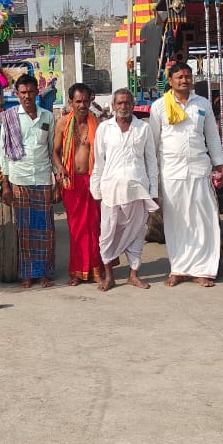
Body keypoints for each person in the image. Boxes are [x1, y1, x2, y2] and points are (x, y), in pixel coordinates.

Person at [149, 61, 223, 287]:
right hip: (172, 171)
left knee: (203, 219)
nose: (184, 80)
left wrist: (219, 163)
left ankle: (203, 270)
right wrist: (150, 175)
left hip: (199, 169)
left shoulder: (202, 103)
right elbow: (152, 143)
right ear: (170, 81)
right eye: (179, 77)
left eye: (187, 76)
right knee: (176, 221)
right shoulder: (159, 106)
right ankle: (179, 269)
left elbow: (212, 136)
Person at [89, 87, 158, 292]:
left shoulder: (143, 128)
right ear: (113, 105)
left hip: (138, 189)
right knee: (108, 233)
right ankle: (109, 276)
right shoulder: (104, 128)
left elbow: (151, 161)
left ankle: (133, 275)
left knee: (137, 232)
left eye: (127, 102)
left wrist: (153, 191)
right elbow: (98, 162)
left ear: (133, 105)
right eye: (119, 103)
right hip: (111, 189)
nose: (123, 106)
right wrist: (96, 190)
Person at [0, 72, 57, 288]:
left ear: (37, 92)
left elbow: (53, 151)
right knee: (24, 230)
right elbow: (4, 153)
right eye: (23, 92)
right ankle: (27, 274)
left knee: (45, 229)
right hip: (19, 178)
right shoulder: (10, 117)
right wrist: (5, 185)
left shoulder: (47, 117)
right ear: (17, 94)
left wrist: (57, 183)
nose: (27, 96)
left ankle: (43, 273)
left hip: (43, 178)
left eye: (30, 92)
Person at [52, 83, 103, 286]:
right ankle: (77, 271)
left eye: (86, 101)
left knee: (95, 227)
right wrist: (59, 168)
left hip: (93, 180)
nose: (82, 105)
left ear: (91, 101)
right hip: (72, 182)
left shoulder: (97, 124)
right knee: (76, 229)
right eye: (78, 101)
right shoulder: (63, 123)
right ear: (70, 102)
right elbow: (55, 152)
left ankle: (96, 270)